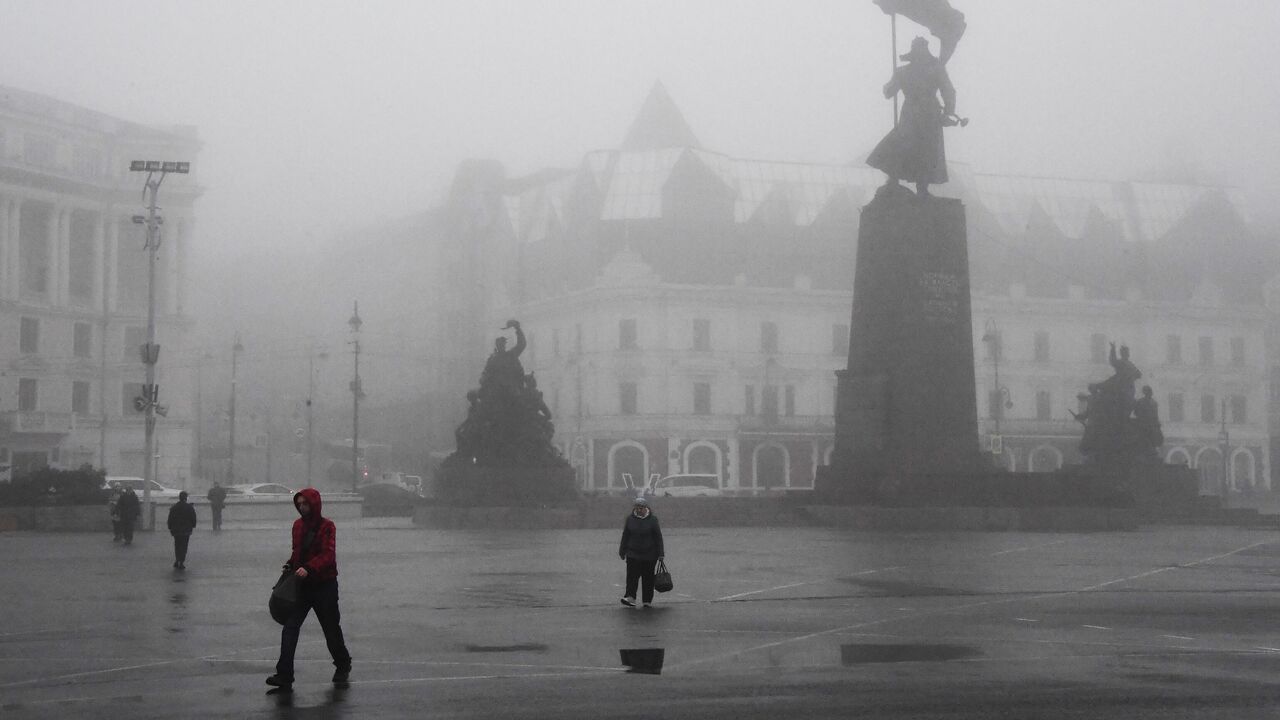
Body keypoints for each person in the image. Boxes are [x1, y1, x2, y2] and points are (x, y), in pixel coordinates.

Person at [267, 488, 352, 690]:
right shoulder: (297, 526)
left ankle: (342, 664)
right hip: (302, 586)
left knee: (330, 629)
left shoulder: (327, 526)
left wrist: (309, 567)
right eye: (300, 504)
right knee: (290, 628)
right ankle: (284, 674)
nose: (302, 507)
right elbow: (298, 553)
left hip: (325, 586)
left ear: (314, 504)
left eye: (306, 504)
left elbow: (328, 555)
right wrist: (291, 564)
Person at [866, 36, 957, 196]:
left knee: (921, 149)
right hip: (918, 113)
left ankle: (918, 187)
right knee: (908, 146)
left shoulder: (918, 71)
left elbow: (948, 91)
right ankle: (900, 182)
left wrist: (948, 112)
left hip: (922, 114)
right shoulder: (914, 71)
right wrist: (947, 112)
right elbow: (889, 92)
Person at [618, 497, 664, 608]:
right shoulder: (630, 519)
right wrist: (622, 550)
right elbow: (626, 535)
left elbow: (658, 537)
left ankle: (647, 600)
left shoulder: (653, 520)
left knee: (648, 578)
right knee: (632, 577)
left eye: (641, 507)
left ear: (646, 508)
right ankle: (630, 597)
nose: (639, 510)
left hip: (649, 555)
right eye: (637, 507)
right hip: (633, 553)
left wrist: (661, 553)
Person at [166, 491, 198, 569]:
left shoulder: (174, 507)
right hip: (186, 530)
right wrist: (193, 525)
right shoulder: (189, 507)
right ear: (186, 498)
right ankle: (181, 561)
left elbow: (170, 519)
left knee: (177, 545)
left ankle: (177, 559)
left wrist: (170, 527)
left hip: (176, 530)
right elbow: (193, 518)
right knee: (184, 546)